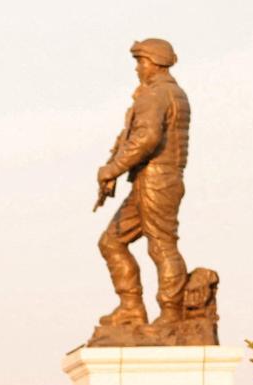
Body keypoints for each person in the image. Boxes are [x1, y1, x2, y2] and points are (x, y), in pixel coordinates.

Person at [96, 37, 190, 329]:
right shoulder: (163, 93)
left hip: (157, 179)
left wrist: (112, 169)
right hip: (150, 179)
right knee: (111, 241)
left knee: (161, 245)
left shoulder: (157, 94)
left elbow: (146, 138)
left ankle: (171, 313)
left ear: (155, 62)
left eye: (141, 61)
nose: (138, 68)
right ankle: (131, 308)